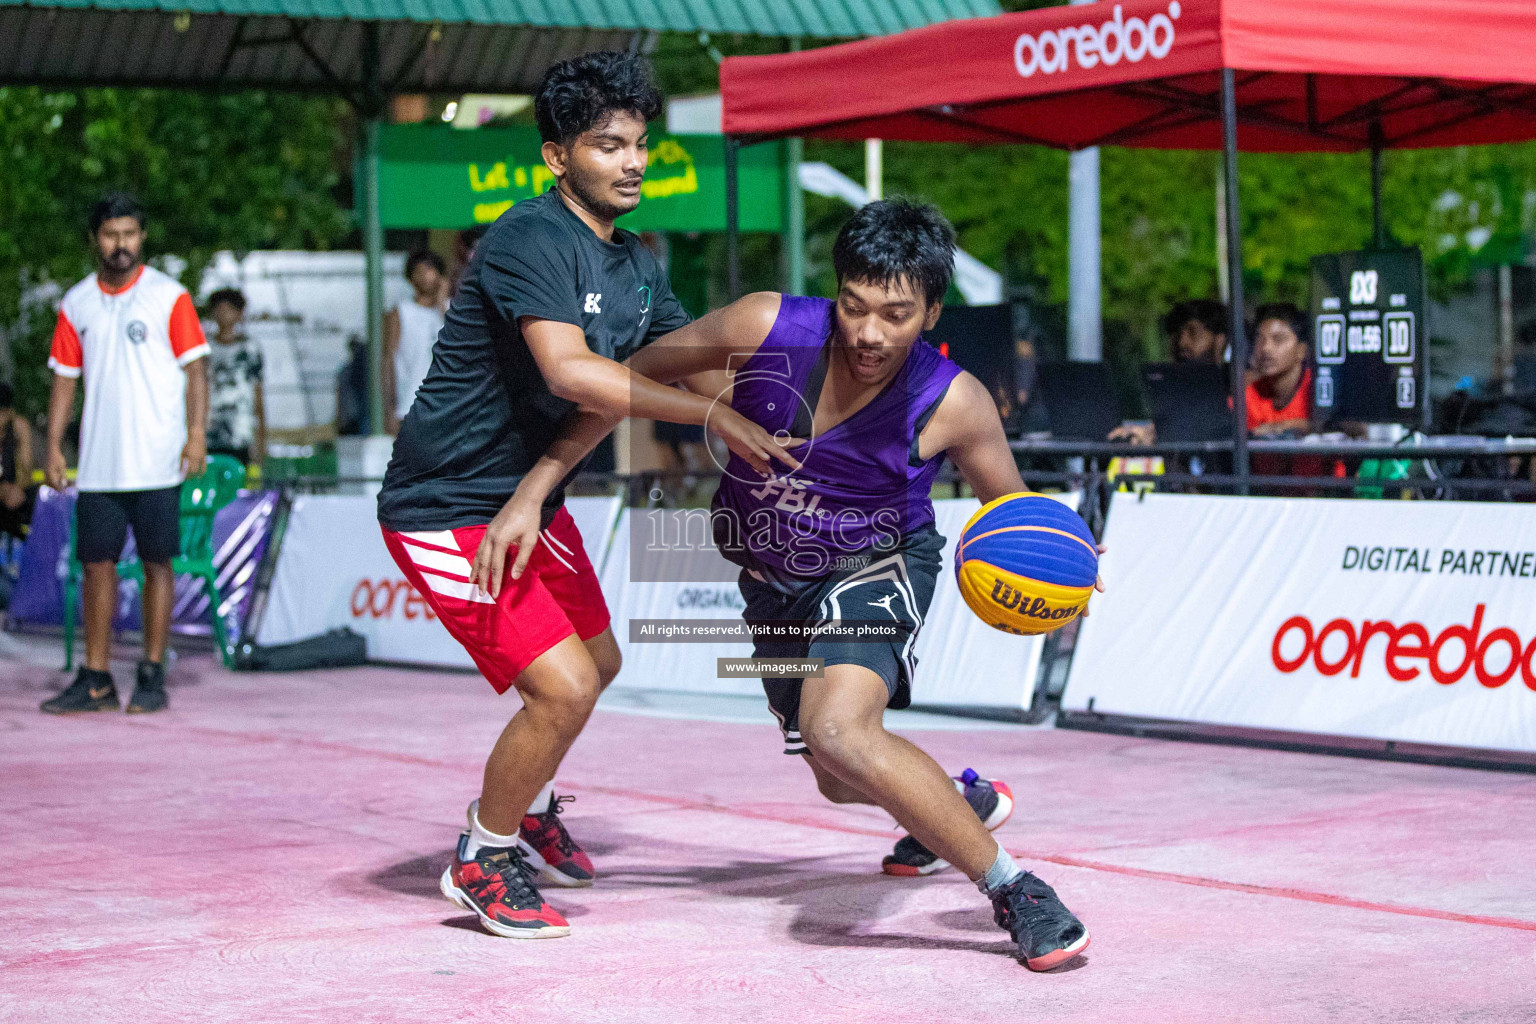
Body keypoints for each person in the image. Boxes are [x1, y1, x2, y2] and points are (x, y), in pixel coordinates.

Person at [495, 200, 1098, 971]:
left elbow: (1013, 517)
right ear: (834, 290)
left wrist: (1067, 563)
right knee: (837, 779)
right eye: (854, 306)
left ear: (932, 311)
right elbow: (621, 384)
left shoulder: (956, 402)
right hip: (772, 584)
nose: (870, 332)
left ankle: (1018, 891)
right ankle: (953, 799)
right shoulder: (762, 326)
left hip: (877, 566)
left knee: (839, 729)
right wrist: (536, 488)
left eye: (896, 313)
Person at [375, 52, 798, 939]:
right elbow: (576, 374)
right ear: (556, 157)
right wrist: (713, 417)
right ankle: (480, 858)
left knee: (599, 666)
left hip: (531, 495)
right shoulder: (527, 237)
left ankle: (522, 802)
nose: (632, 161)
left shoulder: (638, 265)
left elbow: (683, 359)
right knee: (562, 688)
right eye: (608, 145)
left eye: (640, 144)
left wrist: (815, 378)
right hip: (445, 503)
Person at [39, 193, 209, 715]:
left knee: (159, 564)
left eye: (129, 234)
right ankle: (95, 678)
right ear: (96, 239)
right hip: (98, 465)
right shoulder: (77, 302)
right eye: (111, 235)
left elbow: (196, 370)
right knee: (96, 567)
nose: (121, 245)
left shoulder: (168, 296)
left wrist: (196, 432)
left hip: (157, 459)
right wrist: (52, 446)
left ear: (141, 238)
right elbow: (64, 380)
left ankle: (152, 673)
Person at [1109, 298, 1229, 444]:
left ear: (1220, 341)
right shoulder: (1173, 391)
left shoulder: (1242, 390)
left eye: (1193, 333)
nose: (1182, 343)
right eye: (1177, 334)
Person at [383, 250, 448, 433]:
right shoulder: (401, 312)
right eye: (418, 271)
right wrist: (389, 409)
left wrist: (442, 304)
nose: (425, 276)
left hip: (445, 406)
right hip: (410, 405)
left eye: (429, 269)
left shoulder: (450, 311)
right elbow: (389, 359)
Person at [204, 287, 265, 465]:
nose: (223, 315)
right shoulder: (204, 348)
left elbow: (258, 392)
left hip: (240, 433)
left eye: (229, 310)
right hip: (209, 432)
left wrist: (261, 437)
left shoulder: (251, 349)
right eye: (219, 309)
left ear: (239, 314)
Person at [1246, 302, 1312, 436]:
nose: (1265, 348)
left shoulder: (1317, 391)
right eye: (1260, 339)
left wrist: (1304, 426)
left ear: (1302, 350)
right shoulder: (1248, 396)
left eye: (1278, 339)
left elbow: (1348, 427)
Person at [0, 382, 36, 541]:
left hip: (12, 492)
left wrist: (16, 488)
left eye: (2, 413)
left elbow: (27, 471)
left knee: (34, 496)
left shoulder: (18, 427)